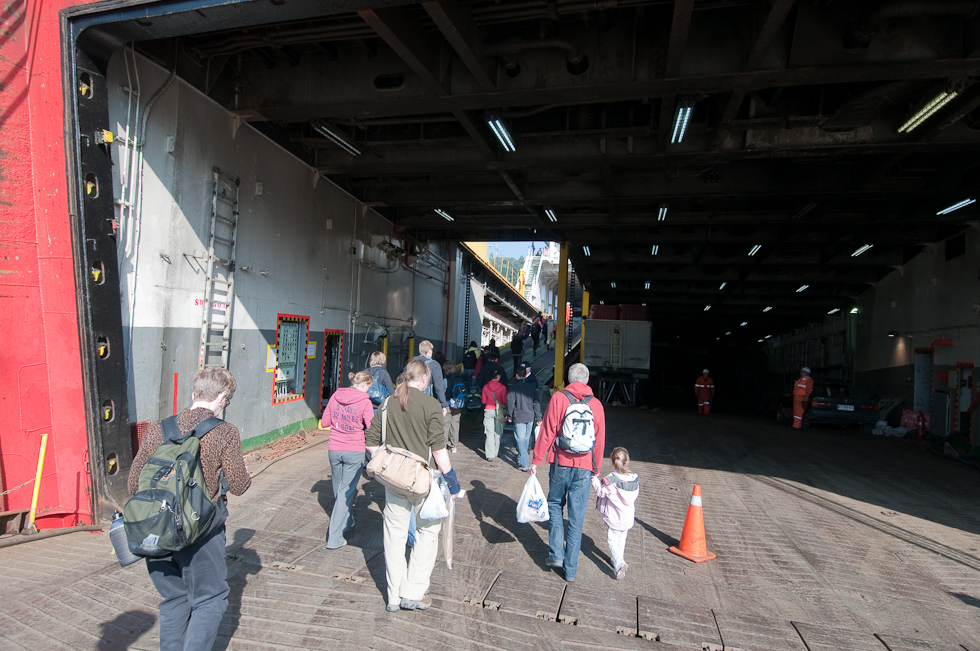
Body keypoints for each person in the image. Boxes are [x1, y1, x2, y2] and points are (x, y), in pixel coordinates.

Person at [128, 367, 251, 651]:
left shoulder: (160, 427)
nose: (226, 404)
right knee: (209, 600)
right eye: (227, 400)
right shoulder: (225, 432)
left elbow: (134, 482)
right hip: (200, 532)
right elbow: (240, 484)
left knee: (174, 600)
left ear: (195, 392)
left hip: (156, 529)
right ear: (221, 396)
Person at [364, 360, 462, 612]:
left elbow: (371, 442)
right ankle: (414, 592)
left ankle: (393, 597)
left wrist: (387, 464)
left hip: (393, 480)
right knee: (427, 534)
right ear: (425, 380)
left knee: (394, 536)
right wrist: (452, 481)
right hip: (422, 481)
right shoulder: (431, 406)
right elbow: (438, 450)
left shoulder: (387, 404)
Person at [529, 363, 606, 583]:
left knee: (554, 505)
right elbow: (599, 440)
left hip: (560, 463)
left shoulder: (559, 399)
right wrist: (596, 468)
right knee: (576, 518)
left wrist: (536, 460)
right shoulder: (597, 405)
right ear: (587, 380)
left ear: (569, 379)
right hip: (583, 468)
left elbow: (547, 431)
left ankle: (556, 555)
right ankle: (570, 570)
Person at [321, 371, 375, 549]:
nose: (369, 391)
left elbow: (325, 422)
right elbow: (371, 426)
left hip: (334, 448)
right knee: (346, 492)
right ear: (362, 385)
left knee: (339, 488)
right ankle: (335, 537)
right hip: (354, 450)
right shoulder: (365, 402)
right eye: (368, 387)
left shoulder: (336, 395)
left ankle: (347, 520)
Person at [591, 447, 638, 580]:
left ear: (613, 461)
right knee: (621, 539)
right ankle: (617, 559)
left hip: (614, 518)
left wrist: (594, 480)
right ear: (627, 461)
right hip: (627, 518)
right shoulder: (634, 480)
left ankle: (619, 564)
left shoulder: (611, 480)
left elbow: (601, 492)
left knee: (612, 540)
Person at [507, 364, 541, 471]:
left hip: (519, 417)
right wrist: (539, 417)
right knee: (526, 439)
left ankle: (525, 463)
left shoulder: (514, 388)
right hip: (530, 417)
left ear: (516, 375)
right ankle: (521, 458)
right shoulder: (531, 387)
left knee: (520, 439)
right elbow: (536, 403)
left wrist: (509, 415)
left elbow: (510, 403)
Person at [412, 340, 448, 415]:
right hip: (427, 400)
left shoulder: (412, 362)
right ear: (429, 351)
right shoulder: (434, 365)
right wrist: (443, 404)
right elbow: (439, 387)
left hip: (411, 398)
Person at [481, 369, 507, 463]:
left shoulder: (485, 387)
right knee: (498, 431)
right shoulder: (502, 387)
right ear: (498, 376)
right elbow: (504, 401)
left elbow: (483, 401)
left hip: (488, 410)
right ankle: (496, 451)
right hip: (498, 411)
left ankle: (489, 455)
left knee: (489, 432)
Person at [442, 360, 467, 453]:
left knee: (446, 424)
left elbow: (443, 391)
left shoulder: (446, 379)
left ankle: (444, 445)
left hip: (448, 403)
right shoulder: (460, 377)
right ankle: (454, 446)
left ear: (446, 370)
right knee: (455, 424)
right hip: (458, 403)